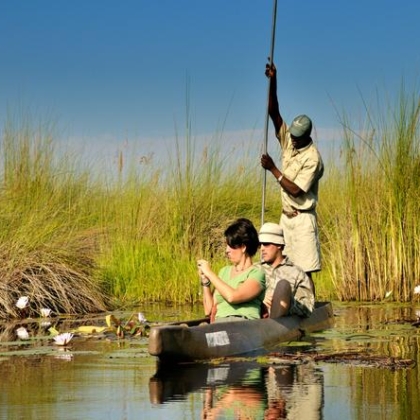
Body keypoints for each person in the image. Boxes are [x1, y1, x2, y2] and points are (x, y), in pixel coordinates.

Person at [261, 62, 324, 289]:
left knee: (305, 273)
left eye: (298, 136)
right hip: (285, 218)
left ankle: (308, 310)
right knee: (282, 270)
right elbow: (273, 113)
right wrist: (273, 80)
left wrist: (273, 169)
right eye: (292, 135)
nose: (293, 139)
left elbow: (297, 189)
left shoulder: (313, 158)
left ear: (307, 135)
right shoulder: (289, 141)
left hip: (303, 218)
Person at [197, 218, 266, 322]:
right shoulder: (224, 272)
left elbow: (233, 297)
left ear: (243, 247)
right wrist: (205, 282)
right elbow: (208, 310)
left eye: (230, 246)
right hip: (221, 325)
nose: (226, 251)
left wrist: (210, 273)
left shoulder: (256, 274)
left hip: (244, 325)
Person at [257, 222, 314, 318]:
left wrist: (285, 304)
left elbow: (308, 307)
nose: (262, 249)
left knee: (283, 286)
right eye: (260, 245)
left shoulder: (297, 273)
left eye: (266, 244)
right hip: (256, 320)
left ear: (279, 245)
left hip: (283, 322)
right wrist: (260, 299)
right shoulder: (254, 270)